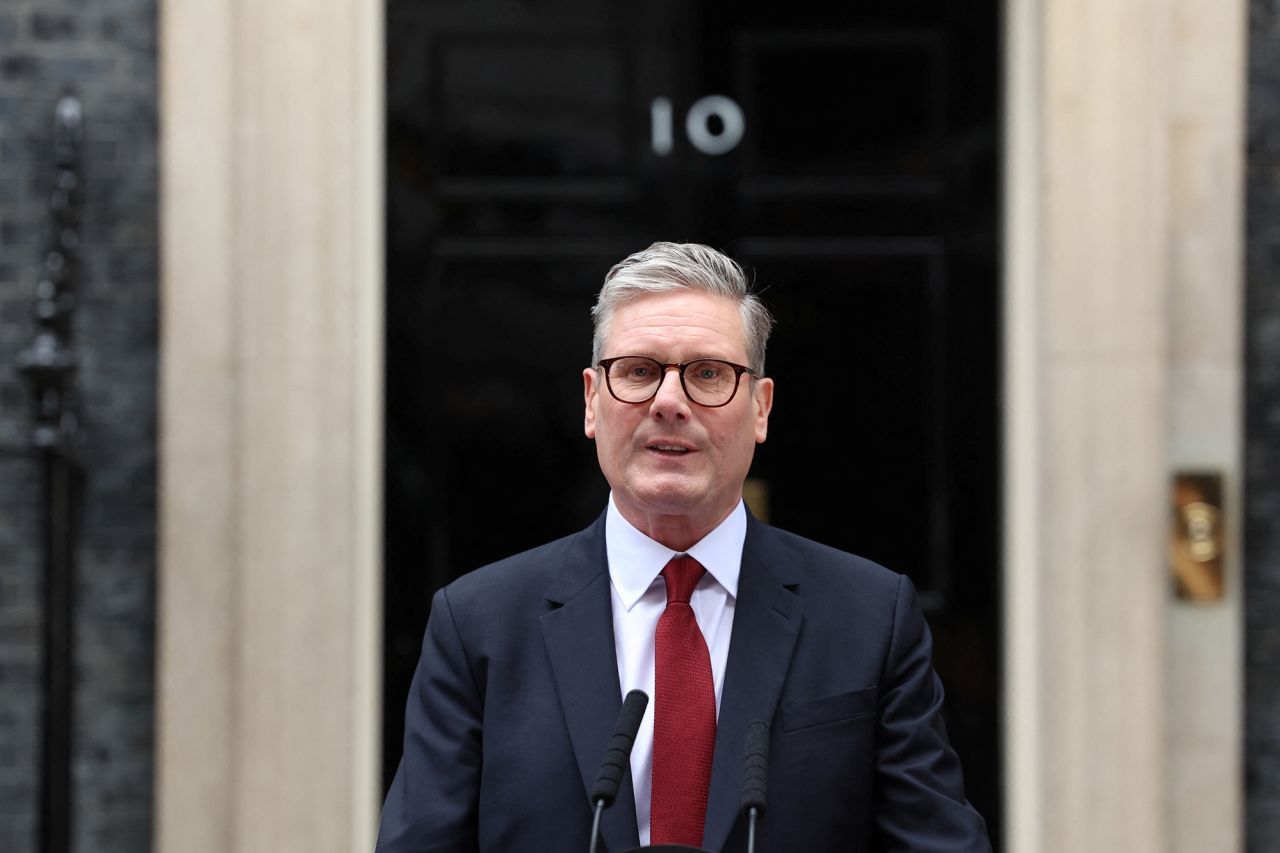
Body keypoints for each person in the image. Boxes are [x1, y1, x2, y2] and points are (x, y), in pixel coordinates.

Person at [376, 242, 991, 852]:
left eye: (708, 374)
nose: (669, 403)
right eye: (639, 372)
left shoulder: (868, 617)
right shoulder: (479, 624)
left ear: (761, 409)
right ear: (592, 401)